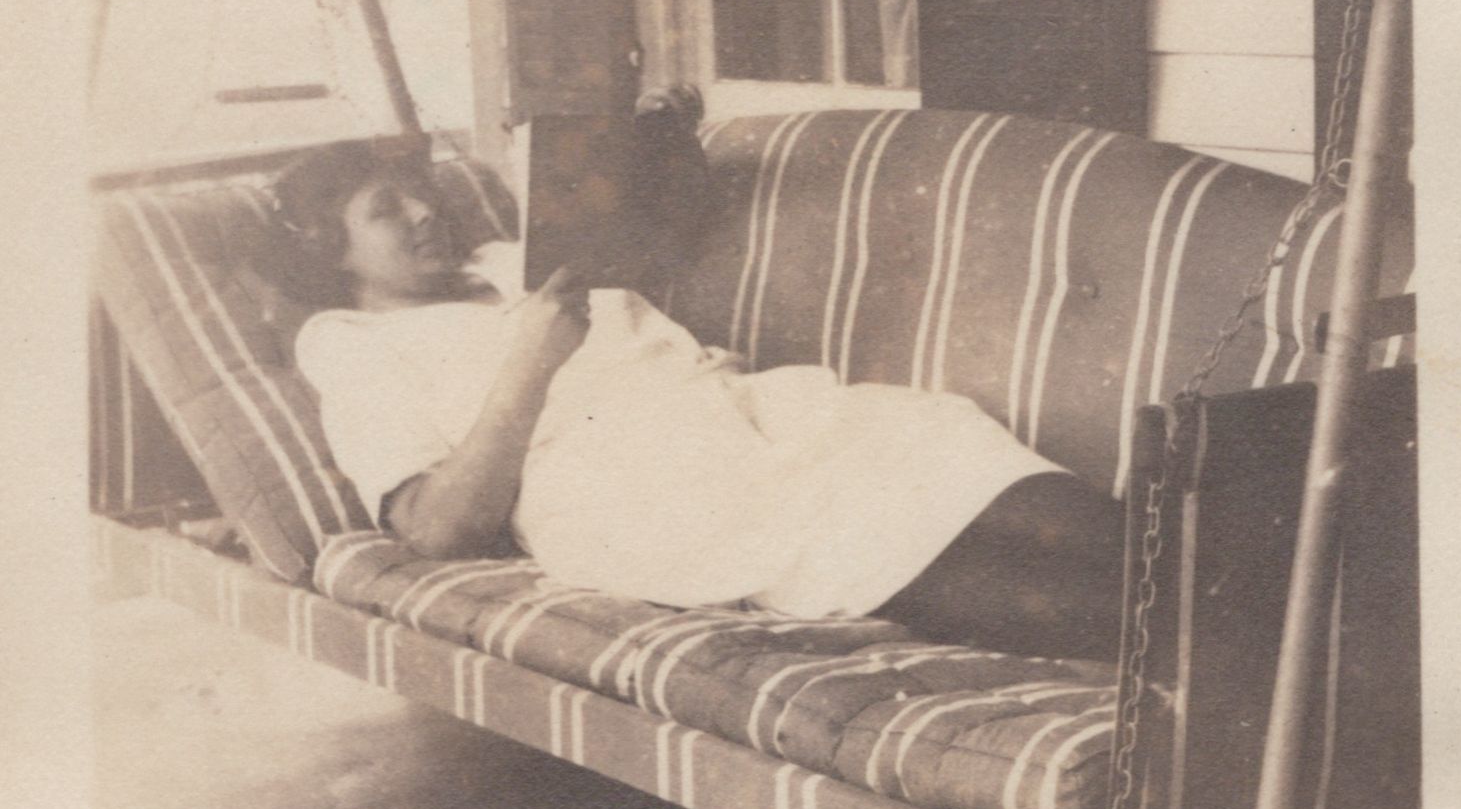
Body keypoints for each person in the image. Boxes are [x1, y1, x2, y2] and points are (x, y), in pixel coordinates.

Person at [272, 108, 1123, 660]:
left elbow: (662, 245)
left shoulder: (507, 261)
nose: (426, 212)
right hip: (645, 492)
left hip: (759, 416)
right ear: (328, 250)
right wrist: (532, 361)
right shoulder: (350, 344)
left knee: (1033, 502)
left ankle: (1200, 599)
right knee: (1035, 594)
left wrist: (654, 143)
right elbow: (438, 527)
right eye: (387, 209)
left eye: (422, 192)